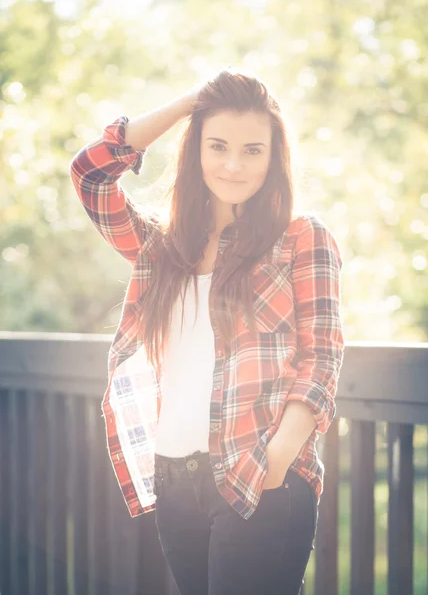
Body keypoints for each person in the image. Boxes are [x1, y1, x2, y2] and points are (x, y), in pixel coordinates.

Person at [70, 67, 345, 595]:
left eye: (252, 150)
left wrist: (275, 463)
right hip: (174, 481)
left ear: (274, 157)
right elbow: (90, 174)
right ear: (195, 148)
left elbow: (321, 360)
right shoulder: (162, 248)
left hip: (256, 474)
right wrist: (186, 106)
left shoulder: (301, 239)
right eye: (217, 146)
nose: (234, 165)